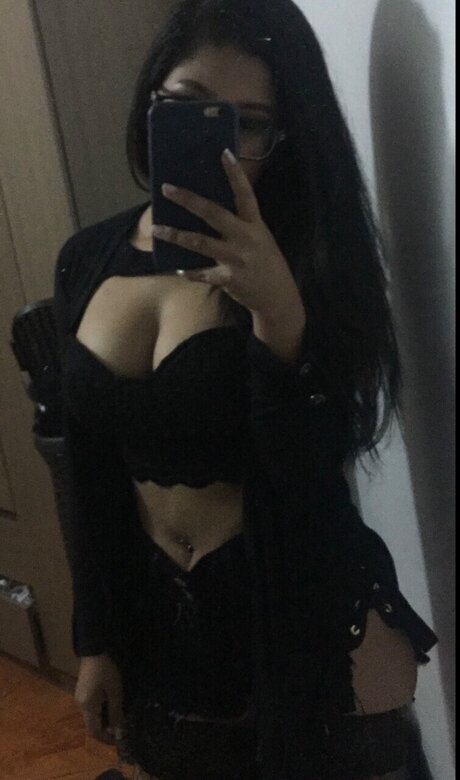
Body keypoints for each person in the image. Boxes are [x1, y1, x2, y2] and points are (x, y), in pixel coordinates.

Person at [52, 1, 439, 778]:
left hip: (308, 627)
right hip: (164, 626)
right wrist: (94, 639)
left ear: (285, 135)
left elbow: (311, 489)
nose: (221, 143)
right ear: (150, 101)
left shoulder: (314, 262)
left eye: (249, 123)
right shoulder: (87, 259)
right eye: (187, 106)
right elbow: (86, 470)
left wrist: (279, 318)